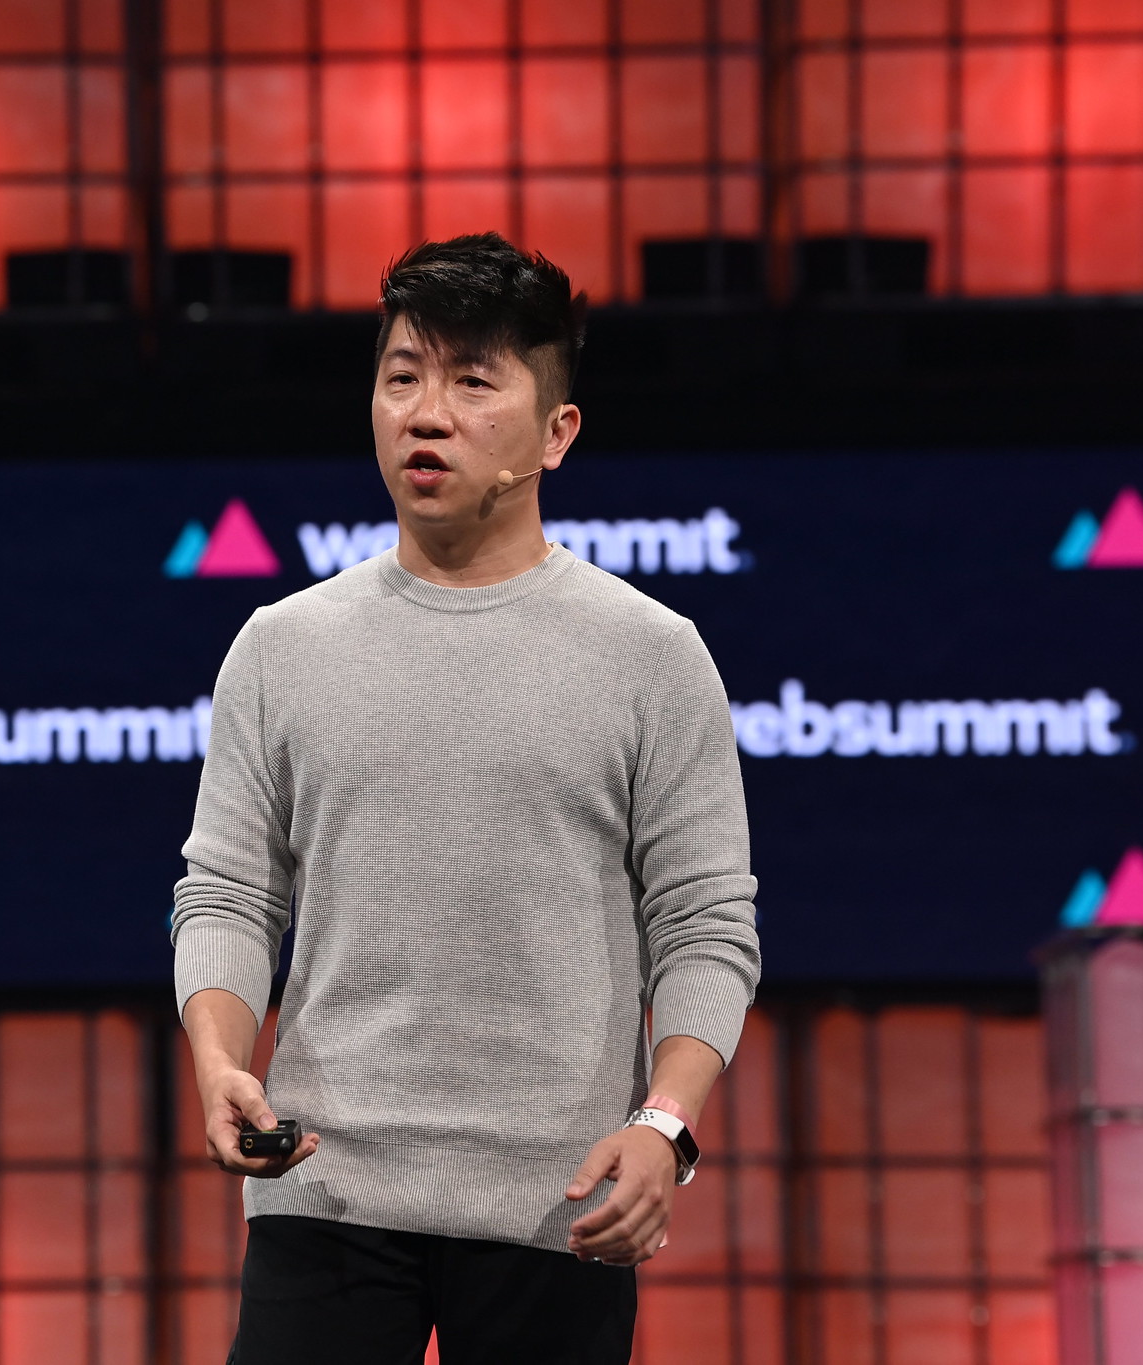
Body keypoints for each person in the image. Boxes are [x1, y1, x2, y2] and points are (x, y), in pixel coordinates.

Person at [168, 232, 762, 1364]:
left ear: (554, 432)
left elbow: (704, 924)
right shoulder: (278, 646)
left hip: (558, 1204)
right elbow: (228, 896)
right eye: (401, 377)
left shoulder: (650, 656)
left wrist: (664, 1127)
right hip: (322, 1191)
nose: (423, 413)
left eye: (470, 381)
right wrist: (218, 1062)